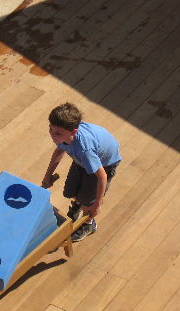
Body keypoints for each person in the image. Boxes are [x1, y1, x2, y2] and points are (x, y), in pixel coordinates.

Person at [43, 103, 121, 241]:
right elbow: (60, 149)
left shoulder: (85, 150)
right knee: (71, 190)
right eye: (50, 129)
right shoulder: (63, 136)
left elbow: (102, 176)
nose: (52, 135)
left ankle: (88, 224)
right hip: (81, 162)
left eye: (57, 133)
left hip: (103, 165)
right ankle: (78, 203)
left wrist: (97, 204)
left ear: (73, 132)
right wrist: (48, 175)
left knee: (88, 200)